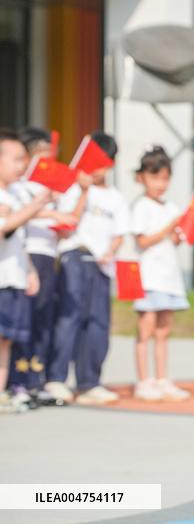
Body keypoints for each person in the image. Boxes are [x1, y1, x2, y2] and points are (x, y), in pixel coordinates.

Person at [47, 131, 129, 405]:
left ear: (111, 164)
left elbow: (120, 233)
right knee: (68, 318)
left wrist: (110, 251)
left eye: (102, 163)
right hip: (74, 256)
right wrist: (82, 190)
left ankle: (89, 382)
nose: (96, 169)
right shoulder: (73, 188)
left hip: (101, 265)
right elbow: (65, 224)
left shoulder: (116, 198)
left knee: (97, 323)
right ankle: (56, 378)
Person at [8, 127, 73, 407]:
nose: (48, 158)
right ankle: (17, 380)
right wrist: (47, 209)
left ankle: (36, 378)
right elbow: (15, 216)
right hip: (27, 255)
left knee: (44, 320)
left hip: (47, 256)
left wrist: (60, 219)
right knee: (24, 321)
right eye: (43, 152)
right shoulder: (18, 187)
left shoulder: (47, 188)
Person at [131, 146, 191, 402]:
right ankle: (144, 380)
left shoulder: (171, 206)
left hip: (169, 278)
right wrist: (169, 228)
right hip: (148, 277)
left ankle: (162, 378)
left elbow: (175, 240)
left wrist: (179, 232)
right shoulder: (141, 206)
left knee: (164, 331)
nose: (160, 184)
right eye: (155, 177)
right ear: (142, 177)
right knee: (145, 330)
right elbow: (142, 241)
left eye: (165, 178)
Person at [0, 129, 49, 413]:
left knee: (6, 339)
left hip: (13, 277)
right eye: (16, 159)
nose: (22, 165)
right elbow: (4, 227)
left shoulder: (14, 194)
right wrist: (35, 206)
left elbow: (17, 238)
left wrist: (29, 270)